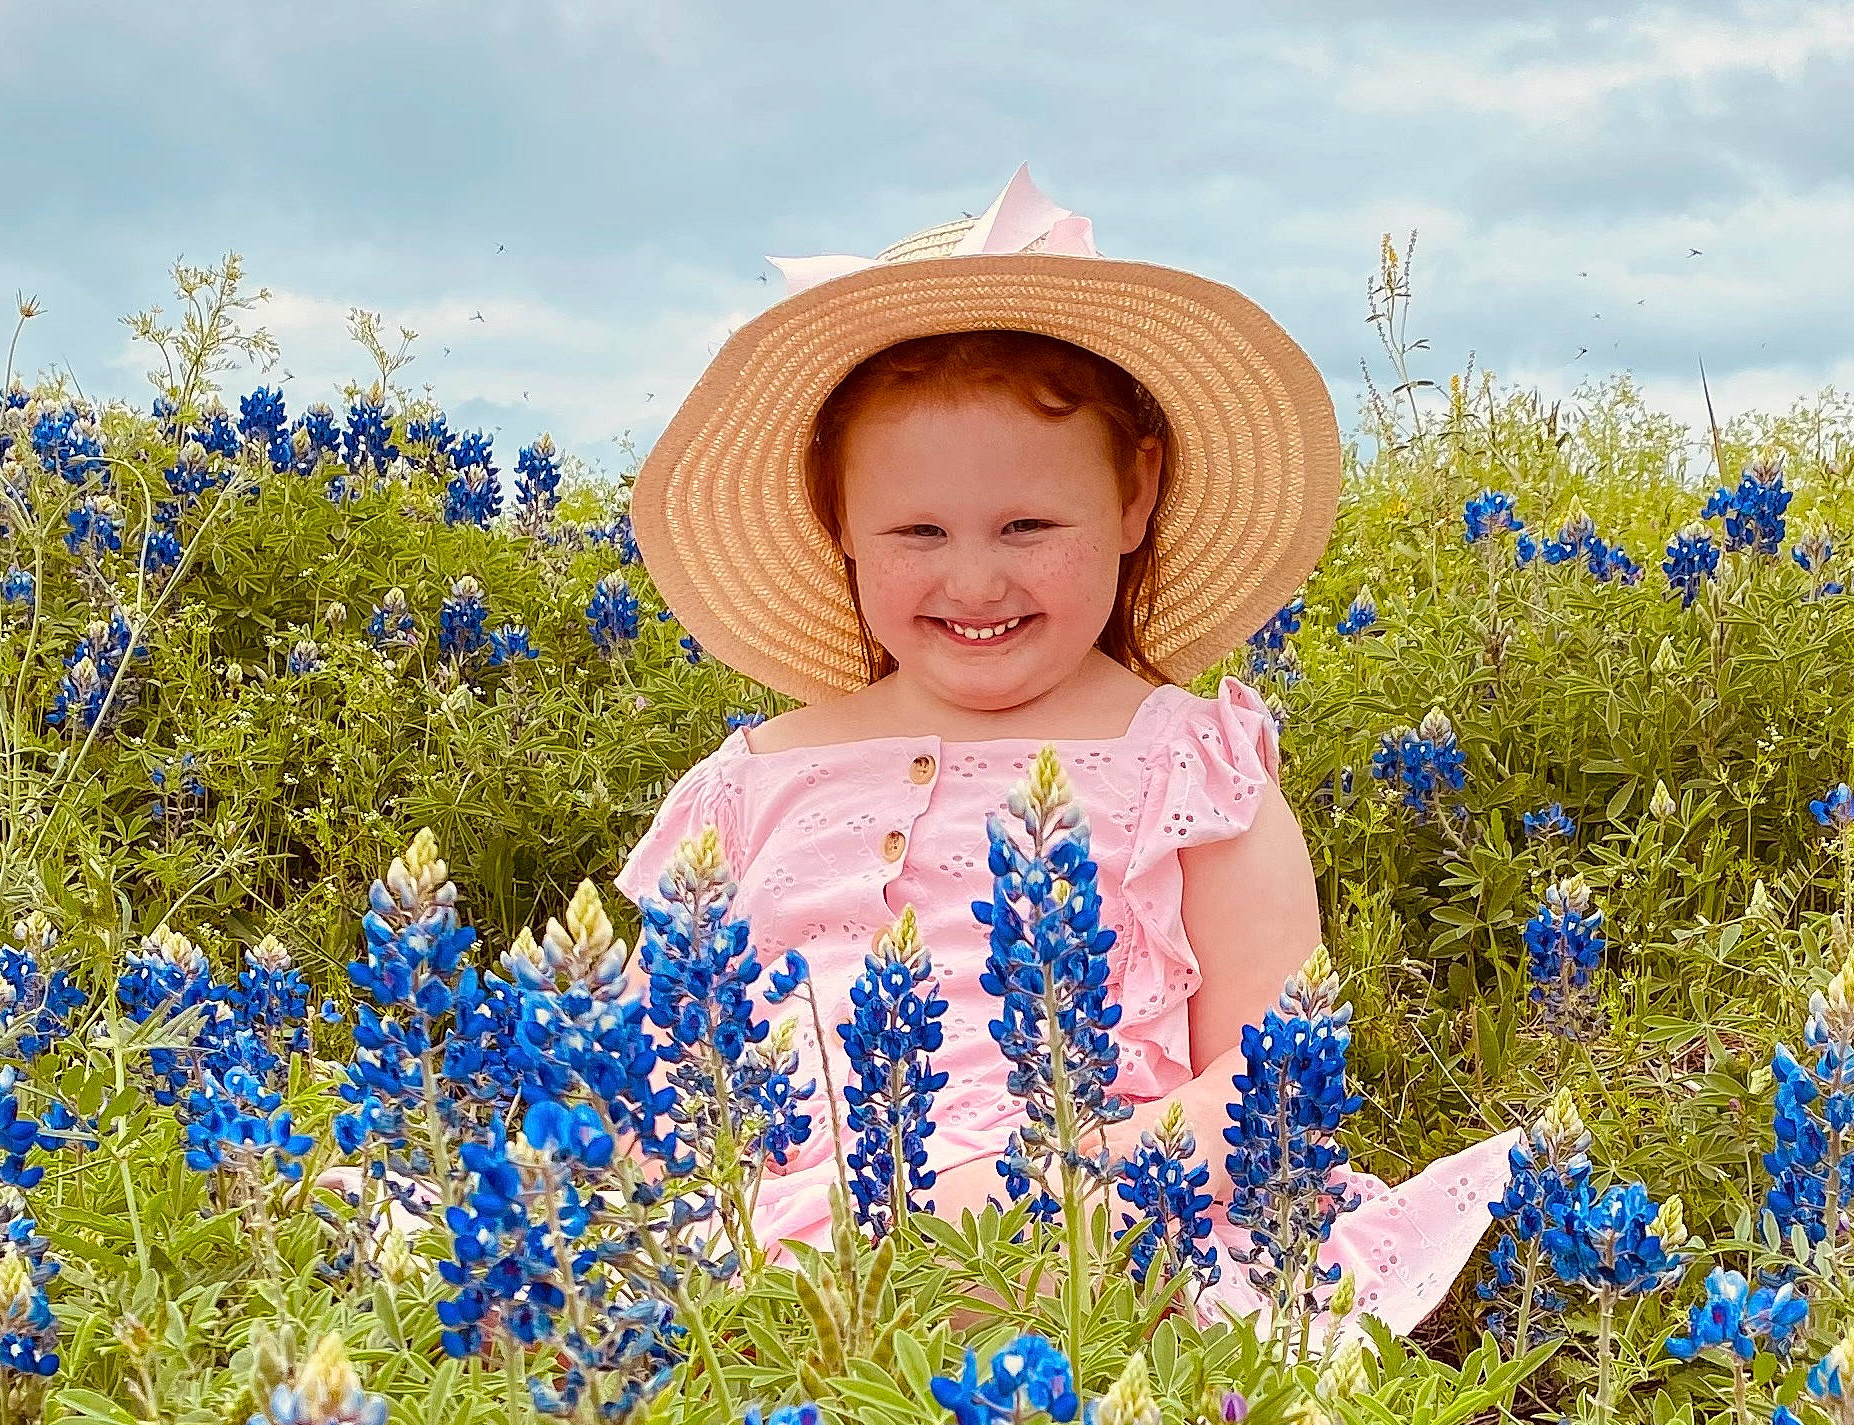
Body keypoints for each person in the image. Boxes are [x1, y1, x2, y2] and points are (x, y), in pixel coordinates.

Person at [613, 163, 1523, 1338]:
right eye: (917, 530)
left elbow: (1275, 1079)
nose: (974, 579)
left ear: (1135, 494)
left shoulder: (1190, 768)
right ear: (835, 518)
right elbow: (640, 1076)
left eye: (1028, 526)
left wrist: (1047, 1201)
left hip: (1100, 1222)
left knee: (1083, 1303)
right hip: (765, 1224)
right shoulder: (747, 784)